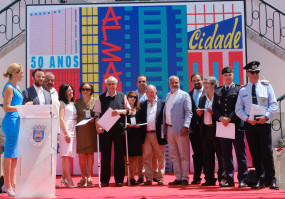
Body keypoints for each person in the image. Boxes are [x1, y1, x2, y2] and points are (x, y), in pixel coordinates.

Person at [235, 61, 279, 190]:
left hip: (263, 123)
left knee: (267, 151)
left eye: (257, 72)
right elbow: (238, 109)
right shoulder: (243, 90)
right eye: (253, 72)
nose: (255, 74)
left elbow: (274, 104)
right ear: (247, 73)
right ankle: (260, 179)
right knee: (255, 152)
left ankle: (272, 180)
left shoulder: (266, 87)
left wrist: (265, 116)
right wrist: (247, 119)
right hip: (250, 125)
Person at [212, 66, 248, 188]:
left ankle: (243, 178)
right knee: (226, 154)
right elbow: (215, 108)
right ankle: (229, 178)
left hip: (236, 125)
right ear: (222, 77)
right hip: (223, 126)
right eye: (225, 75)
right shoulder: (218, 91)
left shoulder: (239, 89)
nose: (228, 77)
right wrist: (221, 117)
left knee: (240, 154)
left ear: (233, 76)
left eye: (230, 75)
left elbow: (240, 106)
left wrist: (230, 118)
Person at [94, 76, 131, 187]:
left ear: (116, 85)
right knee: (105, 155)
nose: (111, 86)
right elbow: (96, 114)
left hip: (119, 129)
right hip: (105, 129)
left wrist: (119, 111)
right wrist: (97, 127)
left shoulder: (122, 96)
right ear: (105, 85)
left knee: (119, 155)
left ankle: (119, 180)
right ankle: (105, 180)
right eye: (109, 84)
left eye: (113, 84)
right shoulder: (100, 97)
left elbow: (130, 111)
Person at [163, 75, 192, 185]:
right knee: (174, 155)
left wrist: (186, 126)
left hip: (181, 129)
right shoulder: (167, 95)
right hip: (169, 128)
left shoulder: (184, 95)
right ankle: (178, 177)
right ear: (169, 84)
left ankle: (185, 178)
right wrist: (165, 131)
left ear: (179, 83)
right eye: (172, 83)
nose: (175, 84)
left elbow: (189, 112)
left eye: (177, 82)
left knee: (183, 155)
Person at [197, 76, 225, 186]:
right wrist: (199, 114)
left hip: (217, 128)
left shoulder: (219, 96)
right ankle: (209, 178)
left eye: (206, 83)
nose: (204, 85)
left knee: (221, 155)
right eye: (203, 83)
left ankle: (222, 178)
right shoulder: (202, 97)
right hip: (205, 130)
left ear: (214, 85)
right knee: (207, 156)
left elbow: (223, 112)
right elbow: (200, 114)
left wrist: (215, 113)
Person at [1, 63, 24, 197]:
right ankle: (7, 184)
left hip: (15, 121)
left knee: (14, 154)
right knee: (9, 153)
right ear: (15, 73)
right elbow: (6, 107)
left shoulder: (15, 87)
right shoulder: (9, 88)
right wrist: (22, 107)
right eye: (21, 73)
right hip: (11, 122)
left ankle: (13, 184)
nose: (22, 75)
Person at [140, 85, 166, 185]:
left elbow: (166, 118)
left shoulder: (162, 103)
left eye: (152, 92)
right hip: (146, 134)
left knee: (160, 156)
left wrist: (166, 133)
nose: (150, 94)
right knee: (147, 157)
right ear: (146, 93)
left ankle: (160, 178)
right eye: (148, 92)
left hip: (158, 134)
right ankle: (149, 179)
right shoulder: (142, 104)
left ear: (156, 93)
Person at [135, 75, 158, 183]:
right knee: (140, 153)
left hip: (151, 129)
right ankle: (140, 175)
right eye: (139, 81)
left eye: (143, 81)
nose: (141, 83)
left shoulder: (151, 94)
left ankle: (154, 173)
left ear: (147, 82)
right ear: (136, 83)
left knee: (153, 153)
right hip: (138, 129)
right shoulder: (133, 95)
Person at [115, 91, 142, 185]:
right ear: (127, 97)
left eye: (135, 97)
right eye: (131, 96)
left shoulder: (138, 109)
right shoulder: (123, 110)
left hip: (136, 135)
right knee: (127, 158)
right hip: (126, 135)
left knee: (134, 158)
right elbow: (119, 122)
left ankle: (132, 178)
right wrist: (126, 124)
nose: (133, 98)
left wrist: (139, 125)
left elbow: (142, 120)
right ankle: (128, 177)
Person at [74, 83, 98, 187]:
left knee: (90, 154)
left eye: (87, 89)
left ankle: (89, 177)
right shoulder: (77, 102)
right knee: (82, 155)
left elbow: (97, 114)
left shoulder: (96, 100)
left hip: (91, 130)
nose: (85, 91)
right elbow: (73, 115)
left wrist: (95, 118)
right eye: (83, 89)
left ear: (91, 90)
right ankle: (83, 177)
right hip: (80, 131)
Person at [43, 72, 61, 188]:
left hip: (55, 127)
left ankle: (51, 181)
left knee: (52, 155)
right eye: (47, 80)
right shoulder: (38, 92)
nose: (50, 82)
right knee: (43, 156)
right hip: (42, 128)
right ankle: (42, 181)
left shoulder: (55, 92)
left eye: (52, 80)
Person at [58, 84, 77, 188]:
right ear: (64, 92)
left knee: (68, 155)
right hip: (66, 130)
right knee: (65, 155)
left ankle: (63, 177)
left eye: (71, 90)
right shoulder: (61, 103)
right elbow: (60, 119)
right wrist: (66, 133)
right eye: (68, 90)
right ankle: (69, 180)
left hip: (73, 129)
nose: (71, 92)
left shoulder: (72, 103)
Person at [188, 73, 204, 184]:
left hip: (207, 128)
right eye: (194, 81)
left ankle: (209, 177)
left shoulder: (208, 92)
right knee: (197, 153)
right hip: (194, 129)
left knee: (209, 153)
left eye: (198, 80)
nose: (196, 82)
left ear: (202, 80)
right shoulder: (188, 95)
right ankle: (197, 177)